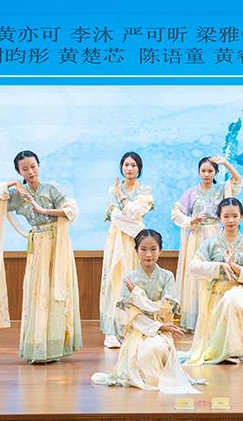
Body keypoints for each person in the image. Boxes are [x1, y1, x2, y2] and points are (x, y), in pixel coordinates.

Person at [0, 150, 81, 363]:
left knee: (56, 290)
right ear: (19, 171)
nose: (30, 172)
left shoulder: (51, 188)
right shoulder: (18, 194)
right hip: (38, 245)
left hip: (57, 243)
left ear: (39, 165)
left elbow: (72, 210)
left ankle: (56, 346)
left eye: (33, 166)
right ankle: (38, 345)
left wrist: (44, 211)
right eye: (25, 169)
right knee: (38, 292)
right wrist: (12, 184)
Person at [92, 229, 202, 394]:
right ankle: (150, 380)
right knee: (145, 351)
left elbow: (165, 309)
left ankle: (157, 380)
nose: (148, 254)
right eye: (143, 249)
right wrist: (157, 322)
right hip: (138, 330)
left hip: (162, 330)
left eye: (153, 249)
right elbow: (131, 316)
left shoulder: (167, 277)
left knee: (157, 347)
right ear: (136, 250)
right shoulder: (129, 279)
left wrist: (139, 297)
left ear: (160, 250)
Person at [183, 198, 243, 365]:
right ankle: (223, 349)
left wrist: (234, 266)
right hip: (216, 293)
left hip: (241, 292)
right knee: (227, 299)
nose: (230, 220)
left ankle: (234, 350)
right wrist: (220, 266)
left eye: (235, 216)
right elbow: (193, 266)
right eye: (226, 216)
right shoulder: (210, 243)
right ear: (219, 218)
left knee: (233, 299)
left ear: (241, 217)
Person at [171, 155, 243, 331]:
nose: (206, 174)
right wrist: (190, 220)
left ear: (215, 172)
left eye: (210, 171)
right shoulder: (191, 193)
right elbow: (175, 213)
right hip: (197, 236)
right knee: (197, 274)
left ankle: (214, 318)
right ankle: (196, 320)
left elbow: (237, 181)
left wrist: (225, 163)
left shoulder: (222, 190)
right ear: (198, 172)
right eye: (203, 170)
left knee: (216, 273)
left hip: (216, 235)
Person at [101, 151, 154, 348]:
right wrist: (134, 222)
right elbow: (116, 217)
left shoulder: (145, 190)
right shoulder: (112, 190)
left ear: (139, 169)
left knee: (134, 281)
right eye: (126, 165)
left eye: (133, 165)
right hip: (116, 240)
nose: (129, 168)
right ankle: (112, 331)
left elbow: (135, 212)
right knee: (114, 281)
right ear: (121, 167)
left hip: (136, 242)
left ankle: (132, 328)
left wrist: (122, 197)